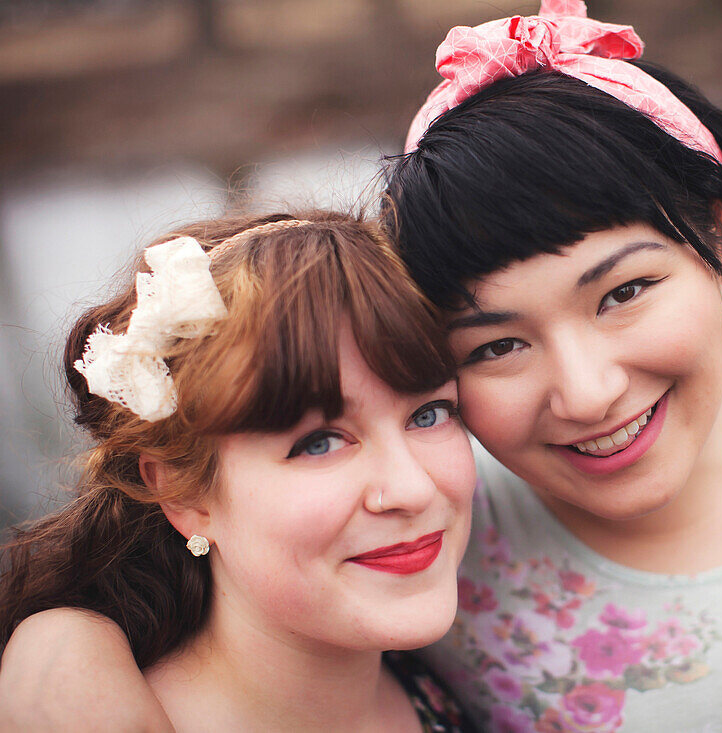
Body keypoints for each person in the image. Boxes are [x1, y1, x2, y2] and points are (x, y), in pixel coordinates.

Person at [5, 2, 722, 731]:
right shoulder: (441, 548)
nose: (583, 391)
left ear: (716, 237)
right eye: (493, 347)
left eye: (622, 292)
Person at [0, 213, 478, 731]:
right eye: (318, 443)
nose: (413, 488)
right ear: (184, 496)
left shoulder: (450, 677)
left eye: (428, 415)